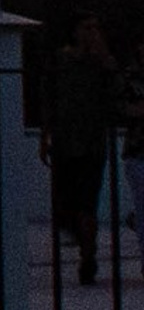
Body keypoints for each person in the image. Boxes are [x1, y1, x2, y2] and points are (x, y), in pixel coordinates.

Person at [49, 17, 123, 288]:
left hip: (91, 142)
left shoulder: (101, 63)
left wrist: (106, 62)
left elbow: (116, 95)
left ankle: (88, 253)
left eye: (95, 28)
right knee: (65, 203)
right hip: (65, 141)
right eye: (86, 27)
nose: (91, 33)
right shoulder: (62, 61)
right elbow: (51, 97)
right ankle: (82, 239)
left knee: (87, 202)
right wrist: (46, 134)